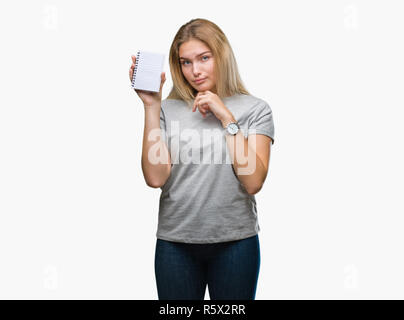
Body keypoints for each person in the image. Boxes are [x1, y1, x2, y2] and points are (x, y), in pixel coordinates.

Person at [129, 18, 275, 300]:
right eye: (186, 62)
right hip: (175, 243)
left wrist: (226, 118)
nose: (195, 71)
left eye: (204, 58)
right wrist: (151, 106)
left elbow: (253, 181)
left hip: (236, 243)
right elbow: (155, 178)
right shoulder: (167, 109)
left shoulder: (256, 109)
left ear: (222, 55)